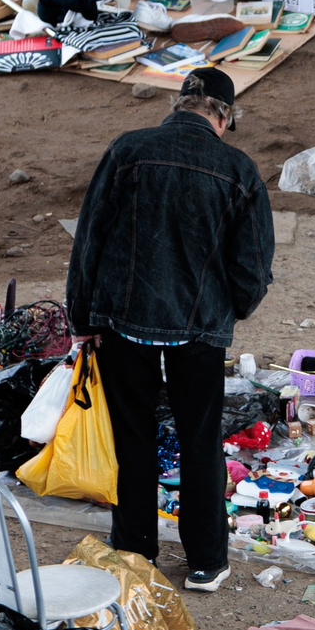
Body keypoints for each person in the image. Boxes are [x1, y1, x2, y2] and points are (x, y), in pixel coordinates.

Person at [62, 65, 274, 593]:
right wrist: (232, 310)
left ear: (180, 105)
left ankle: (135, 554)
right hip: (198, 329)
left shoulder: (127, 150)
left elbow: (89, 238)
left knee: (132, 439)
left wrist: (83, 319)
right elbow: (252, 267)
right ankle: (205, 561)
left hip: (120, 324)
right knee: (200, 442)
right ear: (224, 116)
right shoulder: (238, 169)